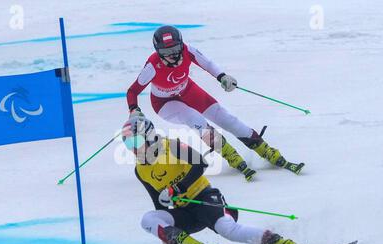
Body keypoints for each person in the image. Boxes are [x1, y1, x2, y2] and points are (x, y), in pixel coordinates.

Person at [126, 25, 304, 182]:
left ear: (181, 45)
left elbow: (208, 64)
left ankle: (266, 150)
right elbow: (132, 91)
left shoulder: (188, 51)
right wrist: (134, 110)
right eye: (166, 52)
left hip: (188, 91)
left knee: (224, 117)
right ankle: (231, 156)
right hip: (165, 103)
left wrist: (222, 76)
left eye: (175, 49)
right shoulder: (152, 65)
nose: (172, 55)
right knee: (196, 120)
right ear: (158, 52)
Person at [122, 116, 306, 244]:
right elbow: (159, 205)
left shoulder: (171, 145)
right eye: (128, 144)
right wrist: (167, 234)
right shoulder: (140, 171)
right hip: (185, 214)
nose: (132, 149)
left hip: (204, 199)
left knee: (229, 231)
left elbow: (200, 164)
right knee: (147, 219)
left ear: (149, 136)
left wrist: (177, 189)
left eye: (135, 142)